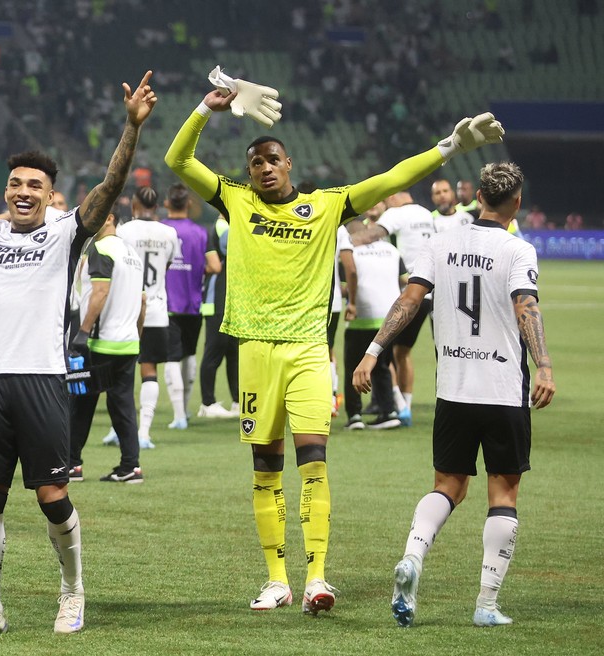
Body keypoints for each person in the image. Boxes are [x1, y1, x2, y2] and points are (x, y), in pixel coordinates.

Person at [165, 79, 504, 615]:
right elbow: (178, 158)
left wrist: (448, 149)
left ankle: (316, 578)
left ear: (289, 162)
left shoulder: (326, 207)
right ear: (249, 173)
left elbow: (391, 178)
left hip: (305, 352)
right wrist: (205, 108)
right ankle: (276, 579)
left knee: (314, 462)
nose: (264, 169)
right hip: (254, 351)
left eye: (272, 159)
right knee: (265, 467)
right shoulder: (236, 201)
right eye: (256, 164)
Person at [0, 70, 156, 638]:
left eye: (35, 186)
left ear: (50, 194)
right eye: (16, 183)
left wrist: (130, 128)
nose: (24, 192)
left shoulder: (68, 232)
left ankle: (73, 592)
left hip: (44, 381)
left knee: (52, 496)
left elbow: (110, 187)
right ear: (7, 190)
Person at [352, 162, 555, 628]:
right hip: (503, 390)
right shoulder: (518, 249)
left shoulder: (438, 245)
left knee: (447, 487)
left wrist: (373, 351)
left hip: (454, 390)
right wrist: (543, 364)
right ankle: (485, 603)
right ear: (516, 203)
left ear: (477, 196)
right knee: (503, 491)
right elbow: (527, 306)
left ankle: (413, 557)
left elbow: (409, 300)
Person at [68, 210, 146, 483]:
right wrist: (137, 335)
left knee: (80, 401)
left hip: (100, 343)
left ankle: (72, 463)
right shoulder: (131, 253)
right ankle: (130, 466)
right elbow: (142, 302)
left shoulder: (101, 250)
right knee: (122, 406)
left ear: (109, 217)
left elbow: (100, 292)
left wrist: (83, 331)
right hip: (127, 343)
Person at [349, 192, 433, 425]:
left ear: (394, 197)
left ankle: (396, 406)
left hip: (410, 292)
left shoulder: (395, 214)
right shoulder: (426, 214)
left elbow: (375, 234)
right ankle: (404, 404)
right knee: (402, 352)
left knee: (384, 352)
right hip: (431, 292)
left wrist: (343, 242)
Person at [115, 186, 179, 449]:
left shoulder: (123, 231)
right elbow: (167, 265)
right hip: (156, 310)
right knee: (149, 370)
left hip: (127, 309)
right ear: (157, 207)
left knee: (121, 372)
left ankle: (118, 431)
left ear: (134, 206)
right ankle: (144, 432)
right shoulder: (169, 232)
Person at [339, 215, 406, 430]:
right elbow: (404, 279)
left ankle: (355, 415)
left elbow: (345, 285)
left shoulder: (349, 251)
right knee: (382, 366)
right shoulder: (392, 251)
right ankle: (389, 412)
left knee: (353, 366)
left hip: (362, 318)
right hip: (390, 318)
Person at [162, 183, 219, 429]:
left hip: (166, 304)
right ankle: (184, 409)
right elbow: (215, 266)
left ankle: (178, 416)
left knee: (171, 357)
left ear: (166, 204)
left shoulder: (160, 229)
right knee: (189, 354)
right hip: (193, 303)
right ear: (188, 205)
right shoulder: (201, 232)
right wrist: (198, 270)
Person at [197, 214, 239, 419]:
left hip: (231, 300)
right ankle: (207, 402)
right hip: (217, 301)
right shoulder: (223, 227)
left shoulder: (227, 226)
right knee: (214, 352)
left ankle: (238, 401)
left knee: (234, 352)